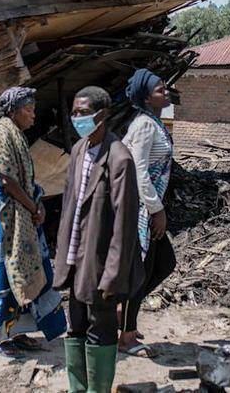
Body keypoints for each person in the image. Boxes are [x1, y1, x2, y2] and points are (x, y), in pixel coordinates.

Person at [54, 86, 143, 393]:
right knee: (75, 326)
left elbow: (125, 224)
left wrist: (114, 274)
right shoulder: (79, 150)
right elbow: (69, 207)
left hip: (102, 263)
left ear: (101, 116)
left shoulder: (119, 159)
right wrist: (62, 256)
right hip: (75, 258)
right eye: (74, 112)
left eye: (82, 113)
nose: (75, 118)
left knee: (101, 329)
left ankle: (97, 390)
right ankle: (77, 388)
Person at [0, 86, 67, 357]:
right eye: (29, 110)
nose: (33, 116)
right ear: (13, 111)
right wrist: (32, 205)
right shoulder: (2, 135)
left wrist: (36, 206)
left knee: (26, 273)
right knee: (5, 274)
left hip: (20, 215)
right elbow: (5, 180)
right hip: (3, 219)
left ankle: (19, 333)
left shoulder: (16, 136)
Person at [119, 69, 178, 357]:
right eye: (160, 90)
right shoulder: (144, 125)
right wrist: (157, 210)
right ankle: (127, 338)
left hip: (148, 206)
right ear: (145, 97)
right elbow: (139, 170)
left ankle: (123, 313)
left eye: (165, 88)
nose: (166, 93)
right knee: (139, 273)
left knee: (164, 263)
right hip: (141, 209)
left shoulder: (155, 123)